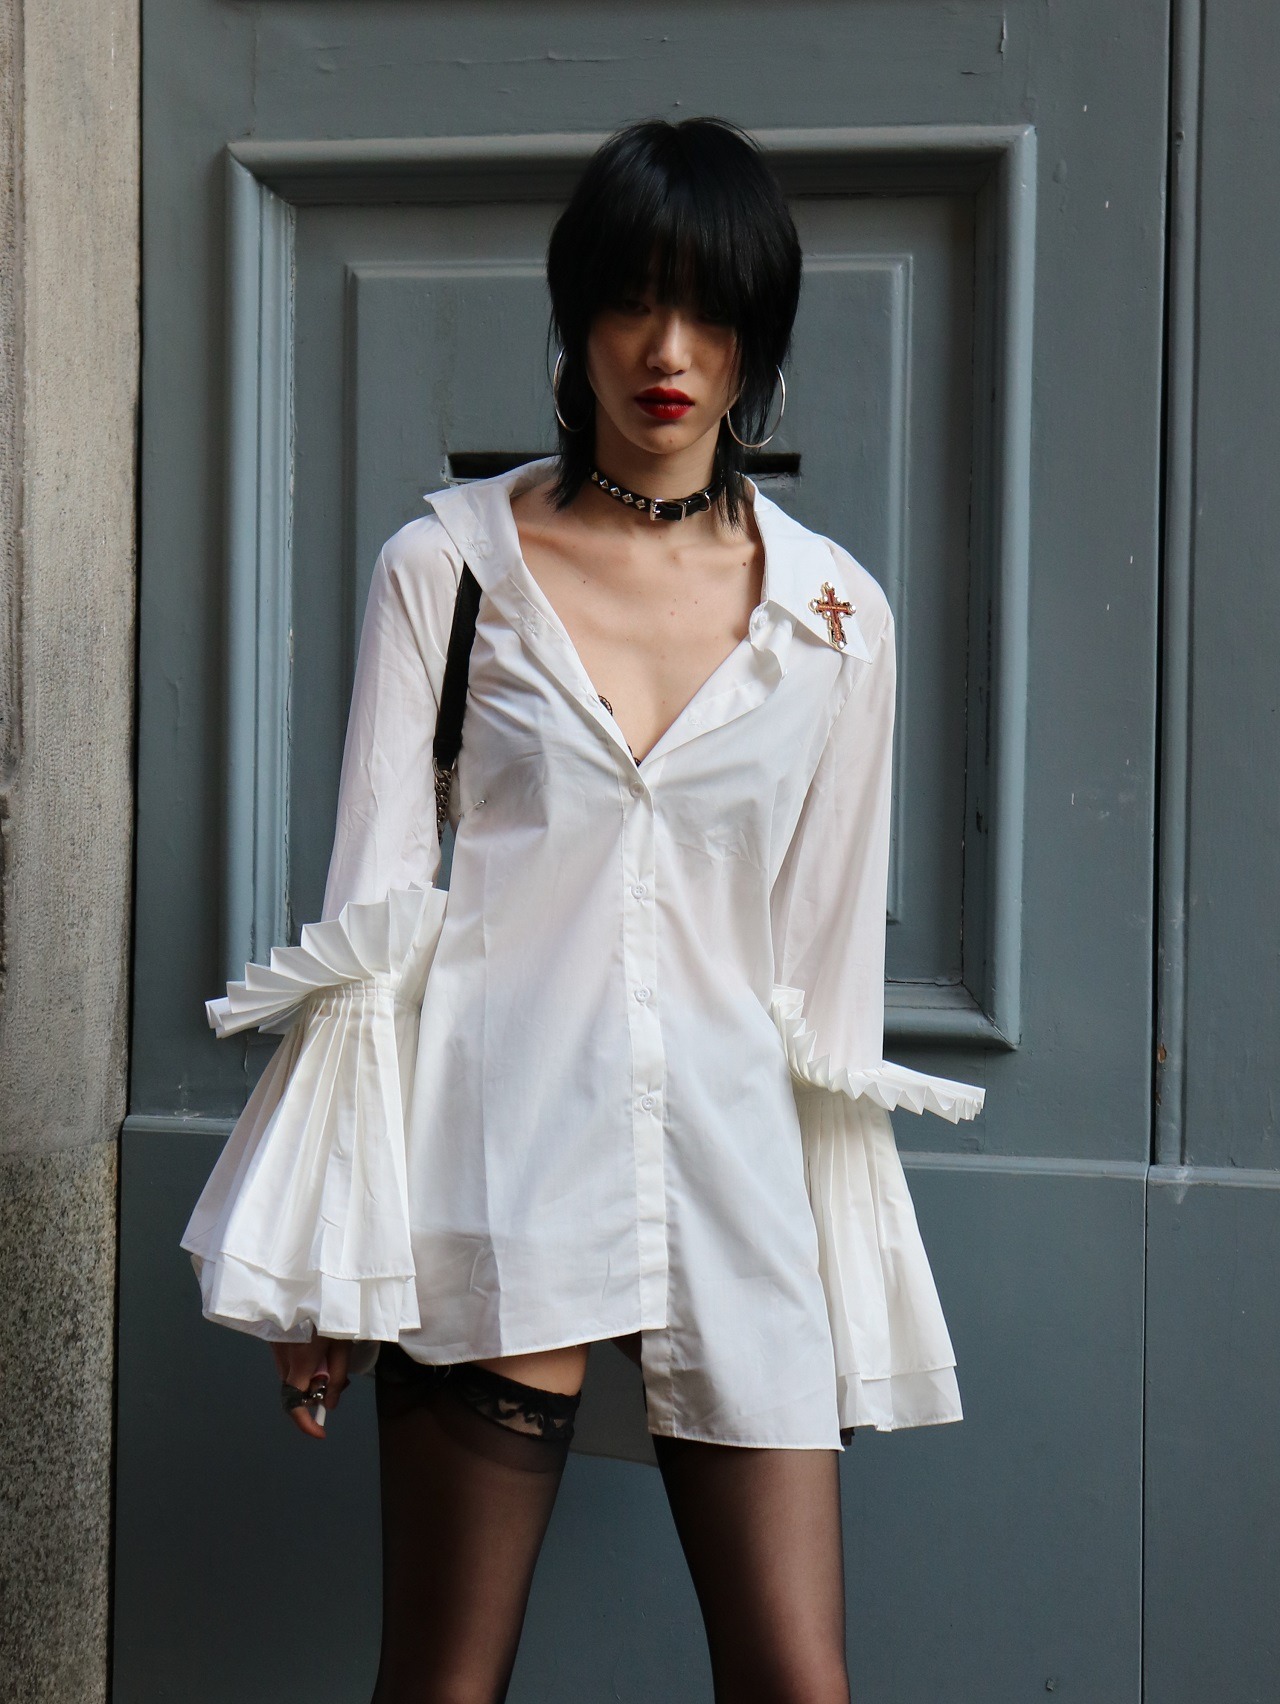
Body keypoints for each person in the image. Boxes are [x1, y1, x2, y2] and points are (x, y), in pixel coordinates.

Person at [181, 117, 984, 1704]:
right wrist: (323, 1251)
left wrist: (842, 1283)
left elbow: (822, 980)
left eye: (709, 310)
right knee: (443, 1682)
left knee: (795, 1682)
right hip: (494, 1166)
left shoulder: (836, 619)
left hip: (735, 1185)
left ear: (759, 332)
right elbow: (372, 914)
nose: (668, 352)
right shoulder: (449, 569)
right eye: (629, 302)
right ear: (577, 318)